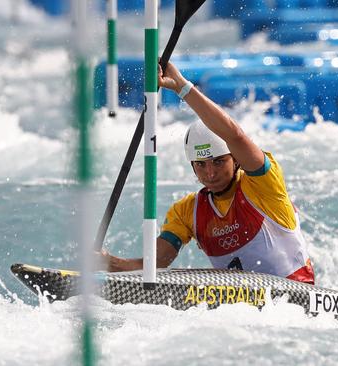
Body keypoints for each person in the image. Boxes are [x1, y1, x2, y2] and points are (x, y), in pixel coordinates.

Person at [102, 61, 315, 285]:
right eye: (201, 165)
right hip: (239, 311)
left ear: (235, 160)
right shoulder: (187, 211)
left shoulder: (263, 184)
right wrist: (110, 263)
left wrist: (182, 87)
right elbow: (156, 264)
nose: (210, 173)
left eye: (218, 162)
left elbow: (236, 136)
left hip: (296, 300)